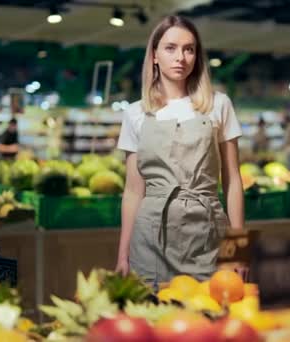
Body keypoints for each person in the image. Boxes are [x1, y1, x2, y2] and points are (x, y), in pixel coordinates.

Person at [115, 16, 245, 285]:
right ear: (154, 55)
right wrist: (122, 254)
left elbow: (232, 181)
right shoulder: (135, 113)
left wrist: (239, 250)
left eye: (189, 49)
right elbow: (133, 190)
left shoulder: (219, 105)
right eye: (170, 48)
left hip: (208, 235)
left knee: (212, 318)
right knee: (154, 320)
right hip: (150, 238)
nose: (181, 58)